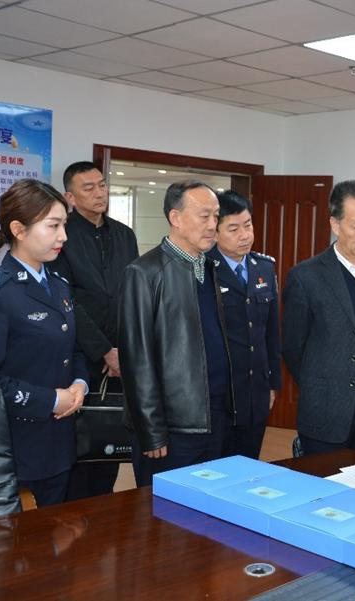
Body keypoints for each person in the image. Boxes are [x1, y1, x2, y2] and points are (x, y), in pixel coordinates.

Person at [0, 179, 88, 507]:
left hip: (59, 444)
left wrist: (80, 384)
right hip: (16, 449)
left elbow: (73, 349)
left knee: (57, 533)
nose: (63, 236)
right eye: (53, 226)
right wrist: (50, 400)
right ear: (19, 229)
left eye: (64, 225)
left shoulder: (58, 286)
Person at [118, 180, 234, 487]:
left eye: (216, 216)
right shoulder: (144, 273)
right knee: (163, 510)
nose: (213, 225)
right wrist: (151, 431)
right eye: (204, 216)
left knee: (208, 502)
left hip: (213, 416)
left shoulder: (209, 267)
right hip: (172, 427)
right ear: (176, 218)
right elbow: (137, 361)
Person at [282, 180, 355, 455]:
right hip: (327, 413)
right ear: (335, 224)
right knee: (324, 481)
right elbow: (293, 348)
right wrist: (323, 386)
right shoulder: (306, 277)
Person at [50, 161, 138, 500]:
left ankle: (103, 511)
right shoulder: (63, 236)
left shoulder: (124, 234)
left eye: (102, 185)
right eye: (89, 188)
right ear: (70, 197)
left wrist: (125, 348)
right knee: (78, 445)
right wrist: (103, 350)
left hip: (120, 355)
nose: (99, 193)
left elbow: (133, 293)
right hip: (79, 354)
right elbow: (66, 300)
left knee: (109, 440)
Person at [207, 191, 281, 459]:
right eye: (234, 229)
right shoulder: (205, 269)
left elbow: (271, 332)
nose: (245, 235)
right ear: (215, 232)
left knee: (248, 463)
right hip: (219, 392)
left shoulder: (264, 267)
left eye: (248, 225)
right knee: (215, 466)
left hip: (255, 390)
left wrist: (272, 383)